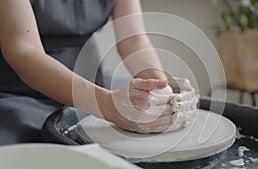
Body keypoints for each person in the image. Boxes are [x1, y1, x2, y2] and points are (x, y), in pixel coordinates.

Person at [0, 0, 198, 145]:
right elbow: (24, 50)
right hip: (21, 91)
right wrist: (108, 106)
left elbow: (133, 40)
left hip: (92, 81)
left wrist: (160, 88)